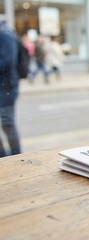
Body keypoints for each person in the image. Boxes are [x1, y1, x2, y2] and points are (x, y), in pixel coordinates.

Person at [0, 20, 22, 157]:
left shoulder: (5, 35)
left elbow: (7, 62)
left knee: (7, 123)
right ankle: (3, 157)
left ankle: (17, 157)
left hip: (6, 88)